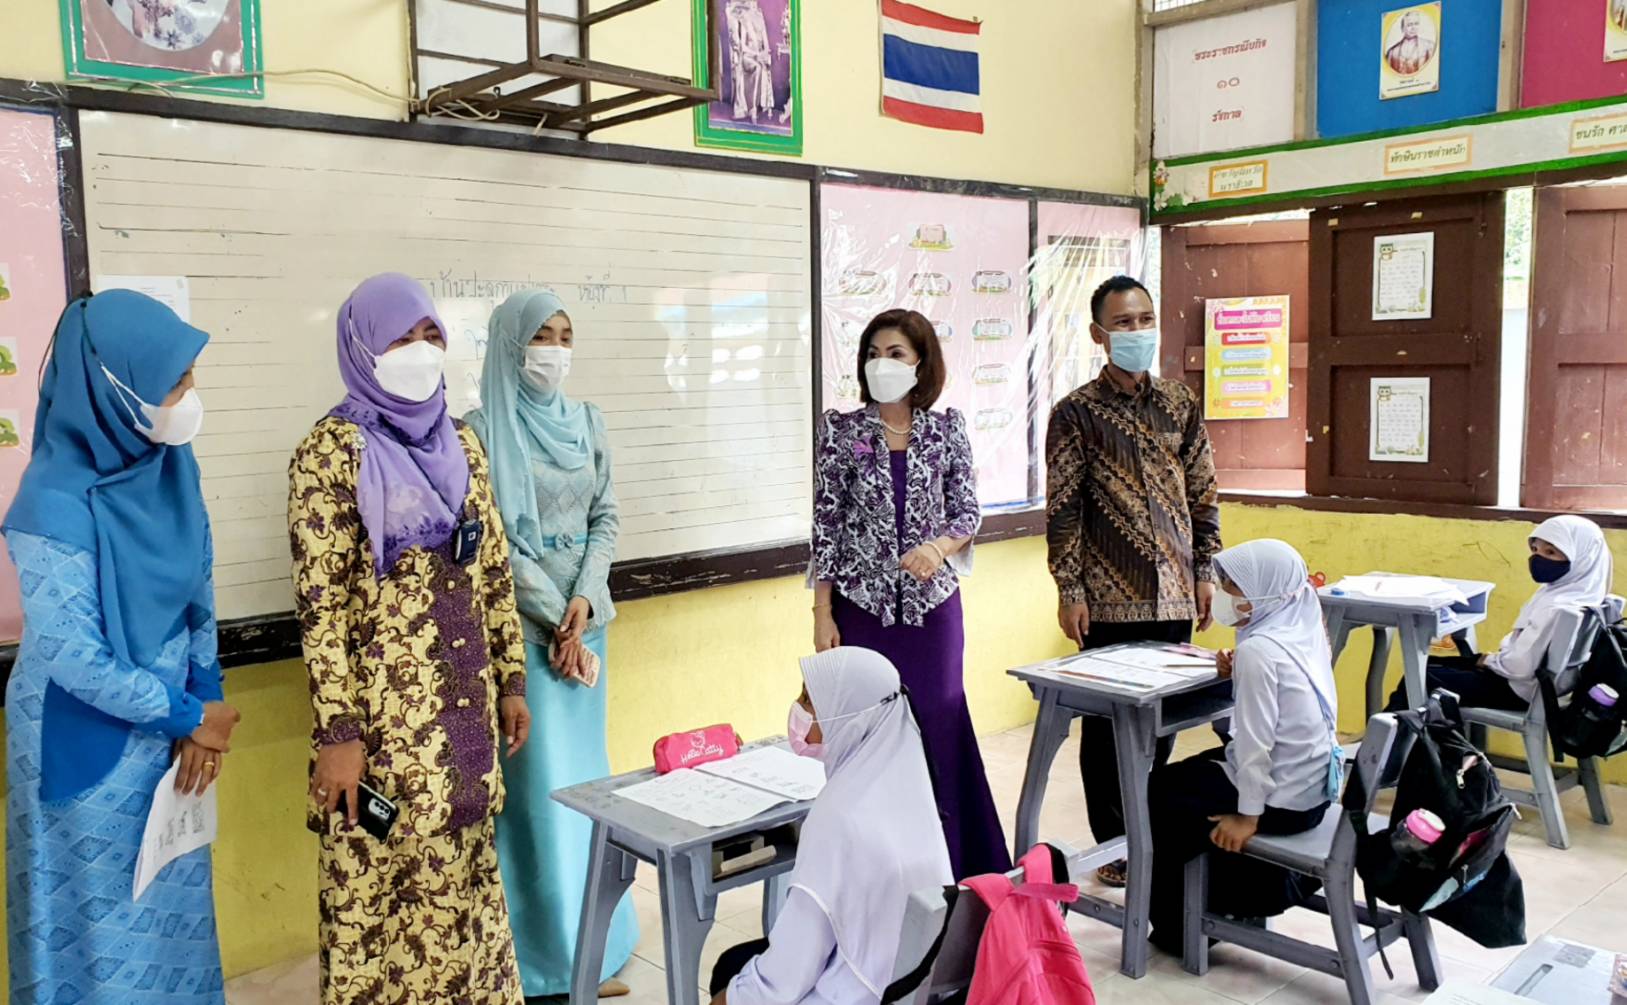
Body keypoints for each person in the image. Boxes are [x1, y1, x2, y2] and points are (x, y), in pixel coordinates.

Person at [288, 273, 532, 1005]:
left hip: (463, 713)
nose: (420, 351)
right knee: (379, 896)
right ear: (364, 348)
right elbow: (322, 609)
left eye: (431, 335)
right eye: (400, 338)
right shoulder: (330, 453)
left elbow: (493, 572)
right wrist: (339, 733)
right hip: (381, 728)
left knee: (466, 889)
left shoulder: (463, 444)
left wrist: (511, 681)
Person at [3, 290, 240, 1003]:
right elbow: (76, 657)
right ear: (113, 387)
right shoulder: (49, 504)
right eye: (174, 382)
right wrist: (188, 714)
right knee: (97, 929)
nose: (188, 398)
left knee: (174, 919)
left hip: (174, 737)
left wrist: (207, 701)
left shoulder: (173, 471)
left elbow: (199, 594)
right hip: (84, 739)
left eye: (190, 378)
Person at [466, 289, 637, 999]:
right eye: (542, 335)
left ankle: (600, 946)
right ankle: (542, 961)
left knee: (587, 790)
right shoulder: (477, 432)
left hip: (586, 628)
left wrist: (584, 601)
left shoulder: (587, 420)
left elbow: (606, 515)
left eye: (566, 336)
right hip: (521, 642)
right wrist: (553, 617)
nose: (556, 350)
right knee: (535, 798)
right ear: (512, 344)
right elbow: (493, 541)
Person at [809, 307, 1009, 878]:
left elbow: (967, 511)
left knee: (940, 725)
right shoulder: (841, 432)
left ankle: (954, 868)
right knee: (868, 739)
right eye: (873, 354)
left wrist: (939, 547)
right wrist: (822, 613)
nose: (882, 363)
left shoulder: (945, 430)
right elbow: (826, 526)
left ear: (921, 362)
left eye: (895, 353)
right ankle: (877, 873)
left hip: (933, 613)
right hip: (860, 610)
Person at [1045, 274, 1221, 887]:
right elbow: (1063, 509)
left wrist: (1206, 570)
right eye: (1124, 323)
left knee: (1161, 723)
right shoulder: (1075, 413)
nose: (1138, 331)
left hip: (1175, 591)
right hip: (1107, 599)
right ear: (1099, 334)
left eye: (1145, 319)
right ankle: (1115, 844)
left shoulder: (1179, 403)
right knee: (1108, 730)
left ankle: (1148, 830)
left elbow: (1203, 492)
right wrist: (1069, 589)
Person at [709, 646, 953, 1005]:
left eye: (810, 700)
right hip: (910, 978)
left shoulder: (838, 816)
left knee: (730, 970)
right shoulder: (913, 787)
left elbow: (790, 972)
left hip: (858, 991)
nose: (798, 708)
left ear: (851, 715)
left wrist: (731, 998)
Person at [1146, 539, 1337, 953]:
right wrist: (1238, 673)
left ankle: (1182, 929)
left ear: (1264, 592)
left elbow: (1254, 745)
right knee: (1193, 772)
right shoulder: (1302, 626)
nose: (1224, 594)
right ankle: (1217, 904)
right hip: (1313, 793)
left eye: (1234, 586)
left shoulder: (1259, 652)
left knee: (1158, 792)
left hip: (1280, 804)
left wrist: (1249, 817)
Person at [1385, 515, 1614, 714]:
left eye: (1551, 552)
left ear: (1581, 558)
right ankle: (1409, 742)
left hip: (1520, 690)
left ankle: (1389, 745)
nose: (1538, 558)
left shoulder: (1556, 607)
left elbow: (1520, 667)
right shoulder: (1584, 595)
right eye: (1535, 549)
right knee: (1427, 666)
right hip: (1546, 689)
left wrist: (1488, 660)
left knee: (1419, 677)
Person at [1385, 10, 1436, 76]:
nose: (1413, 28)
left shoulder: (1429, 46)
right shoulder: (1391, 52)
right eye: (1409, 25)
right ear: (1402, 28)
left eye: (1416, 24)